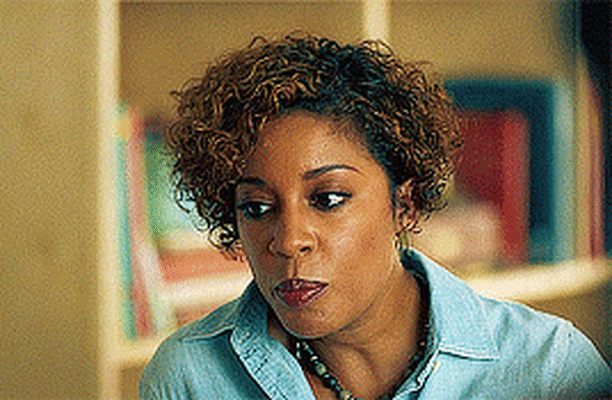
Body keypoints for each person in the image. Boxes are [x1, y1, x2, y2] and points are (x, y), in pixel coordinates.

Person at [140, 33, 611, 399]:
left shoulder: (548, 369)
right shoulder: (189, 378)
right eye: (257, 208)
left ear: (404, 203)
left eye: (328, 199)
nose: (288, 240)